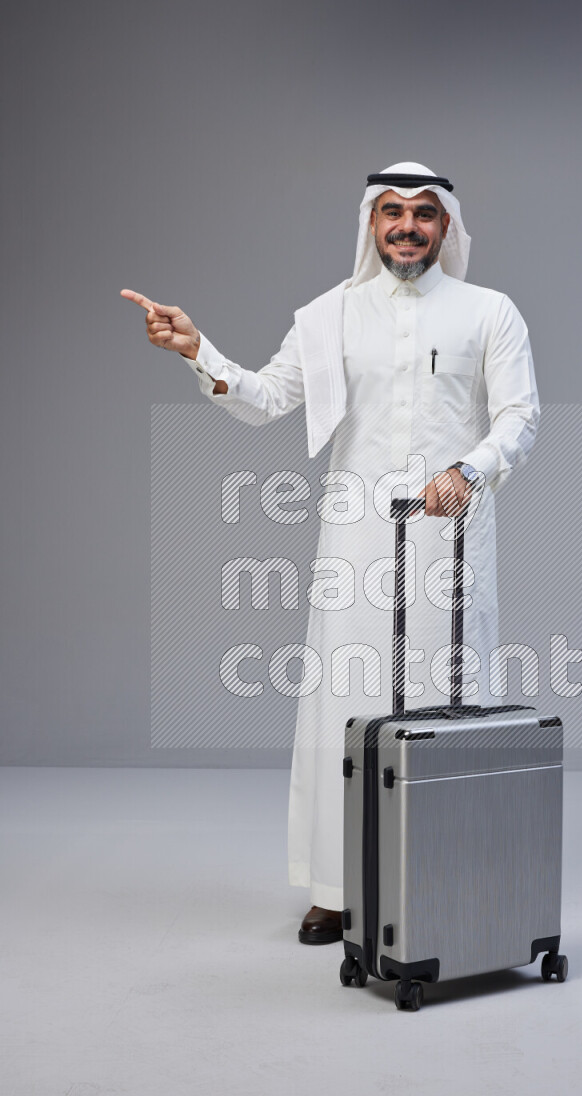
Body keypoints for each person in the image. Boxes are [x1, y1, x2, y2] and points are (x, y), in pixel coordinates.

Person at [121, 161, 540, 945]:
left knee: (450, 701)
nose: (406, 225)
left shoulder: (491, 312)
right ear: (370, 223)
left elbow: (520, 417)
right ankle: (338, 885)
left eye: (422, 212)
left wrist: (469, 470)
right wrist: (195, 350)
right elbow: (266, 398)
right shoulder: (329, 316)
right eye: (391, 211)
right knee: (342, 705)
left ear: (446, 225)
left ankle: (445, 874)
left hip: (452, 534)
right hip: (355, 535)